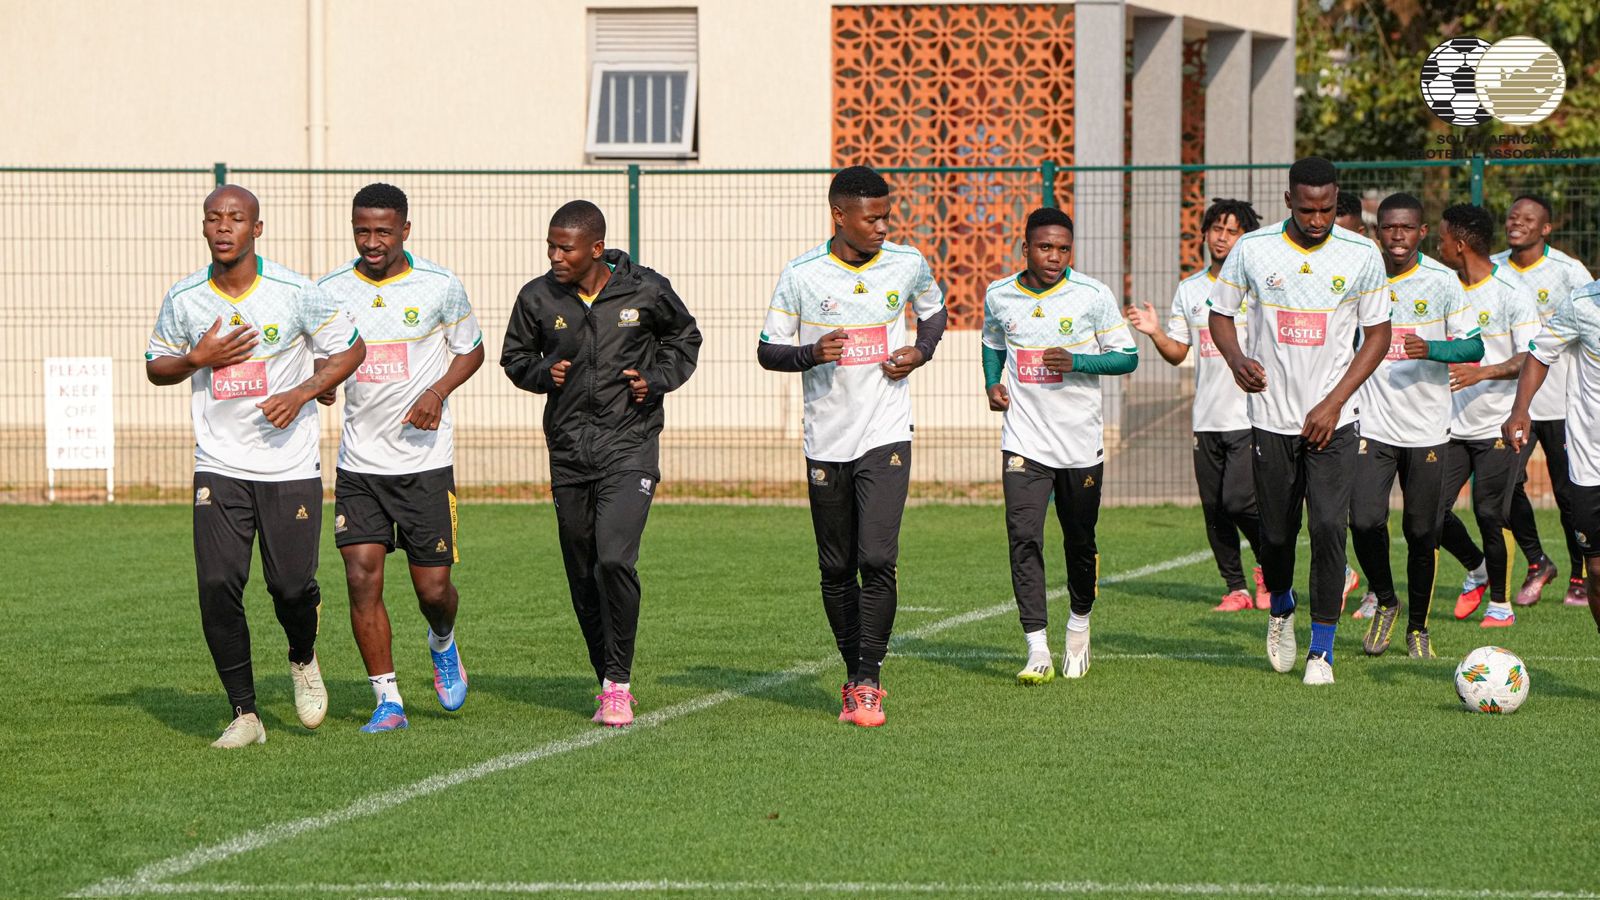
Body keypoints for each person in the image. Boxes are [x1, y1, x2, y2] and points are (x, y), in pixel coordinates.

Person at [144, 185, 365, 748]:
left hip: (289, 465)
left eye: (236, 218)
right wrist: (197, 358)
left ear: (256, 229)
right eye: (213, 218)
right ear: (203, 228)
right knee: (217, 583)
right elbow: (155, 365)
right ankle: (245, 714)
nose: (223, 227)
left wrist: (303, 392)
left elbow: (351, 349)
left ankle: (302, 655)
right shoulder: (186, 297)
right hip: (218, 462)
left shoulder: (295, 291)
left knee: (291, 587)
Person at [757, 166, 946, 727]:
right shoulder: (802, 275)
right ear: (840, 215)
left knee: (877, 558)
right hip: (826, 439)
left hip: (886, 432)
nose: (884, 226)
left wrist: (921, 350)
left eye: (888, 215)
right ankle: (853, 672)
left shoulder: (907, 263)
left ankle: (869, 681)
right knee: (837, 567)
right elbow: (769, 350)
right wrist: (811, 354)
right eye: (873, 217)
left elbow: (933, 313)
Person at [501, 200, 701, 728]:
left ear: (595, 247)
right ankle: (605, 676)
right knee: (582, 571)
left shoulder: (646, 289)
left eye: (565, 247)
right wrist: (546, 373)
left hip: (629, 445)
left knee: (614, 559)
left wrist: (655, 379)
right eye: (550, 245)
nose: (554, 255)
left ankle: (619, 683)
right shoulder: (537, 297)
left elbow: (685, 338)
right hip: (568, 451)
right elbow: (515, 359)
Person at [1207, 156, 1391, 685]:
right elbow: (1221, 315)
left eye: (1328, 209)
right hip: (1270, 416)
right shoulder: (1253, 249)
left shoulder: (1361, 254)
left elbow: (1377, 335)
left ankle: (1323, 650)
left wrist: (1334, 402)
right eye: (1308, 209)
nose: (1318, 219)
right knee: (1279, 534)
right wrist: (1237, 359)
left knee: (1331, 526)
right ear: (1289, 200)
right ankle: (1282, 606)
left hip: (1336, 420)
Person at [317, 183, 485, 733]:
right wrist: (322, 386)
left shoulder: (440, 285)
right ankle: (387, 700)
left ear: (405, 230)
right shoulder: (330, 290)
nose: (371, 241)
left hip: (424, 461)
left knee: (432, 591)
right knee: (361, 578)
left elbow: (472, 350)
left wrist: (437, 392)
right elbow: (322, 357)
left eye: (383, 231)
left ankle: (442, 642)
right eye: (362, 230)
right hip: (359, 464)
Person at [985, 208, 1137, 682]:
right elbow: (993, 343)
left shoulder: (1092, 295)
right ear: (1024, 247)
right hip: (1024, 442)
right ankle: (1036, 648)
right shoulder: (1000, 294)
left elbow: (1126, 357)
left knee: (1080, 541)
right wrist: (993, 384)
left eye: (1063, 249)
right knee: (1023, 537)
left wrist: (1078, 361)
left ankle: (1078, 624)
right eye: (1045, 247)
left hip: (1078, 445)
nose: (1054, 257)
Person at [1349, 194, 1482, 660]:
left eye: (1406, 228)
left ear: (1421, 232)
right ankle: (1386, 599)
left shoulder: (1443, 282)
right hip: (1371, 425)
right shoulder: (1362, 277)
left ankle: (1419, 628)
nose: (1397, 236)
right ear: (1378, 231)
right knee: (1363, 519)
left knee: (1422, 532)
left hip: (1427, 429)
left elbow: (1473, 348)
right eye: (1389, 228)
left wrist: (1434, 349)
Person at [1127, 198, 1268, 612]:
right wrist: (1154, 333)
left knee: (1239, 500)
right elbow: (1178, 352)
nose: (1223, 237)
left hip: (1251, 415)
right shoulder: (1190, 290)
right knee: (1214, 509)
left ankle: (1268, 569)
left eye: (1232, 230)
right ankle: (1237, 589)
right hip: (1206, 418)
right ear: (1205, 234)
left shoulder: (1257, 289)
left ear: (1246, 239)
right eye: (1217, 228)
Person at [1435, 204, 1541, 628]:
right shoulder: (1442, 288)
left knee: (1488, 512)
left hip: (1497, 423)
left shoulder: (1511, 292)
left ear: (1459, 244)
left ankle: (1500, 604)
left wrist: (1483, 372)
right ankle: (1476, 567)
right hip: (1448, 425)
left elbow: (1531, 356)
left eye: (1441, 237)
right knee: (1428, 514)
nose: (1437, 245)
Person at [1491, 195, 1593, 607]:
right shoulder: (1493, 268)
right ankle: (1537, 561)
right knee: (1500, 487)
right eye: (1512, 216)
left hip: (1567, 406)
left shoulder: (1570, 272)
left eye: (1528, 219)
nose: (1517, 223)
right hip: (1515, 403)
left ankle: (1581, 576)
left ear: (1545, 228)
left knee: (1571, 497)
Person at [1504, 278, 1600, 636]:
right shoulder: (1582, 304)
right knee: (1597, 573)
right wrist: (1520, 410)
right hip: (1590, 464)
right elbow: (1539, 354)